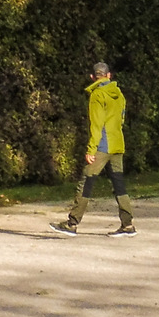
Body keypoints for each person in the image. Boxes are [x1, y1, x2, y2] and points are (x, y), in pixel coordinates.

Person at [52, 62, 135, 237]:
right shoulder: (119, 94)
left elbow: (96, 125)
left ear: (92, 77)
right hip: (118, 144)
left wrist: (91, 149)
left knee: (86, 182)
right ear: (109, 75)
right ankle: (127, 225)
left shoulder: (97, 94)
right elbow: (121, 119)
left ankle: (72, 223)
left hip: (102, 146)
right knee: (119, 183)